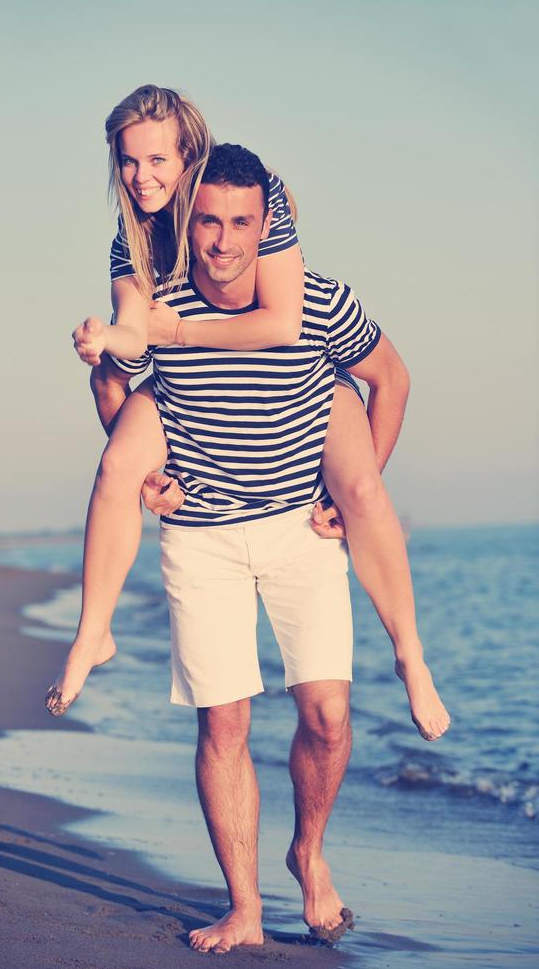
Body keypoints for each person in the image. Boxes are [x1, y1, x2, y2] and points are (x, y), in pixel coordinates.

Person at [81, 143, 418, 952]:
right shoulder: (161, 300)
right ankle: (245, 908)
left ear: (271, 226)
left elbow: (393, 380)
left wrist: (353, 490)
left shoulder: (318, 304)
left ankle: (308, 851)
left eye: (242, 223)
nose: (225, 240)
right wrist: (149, 481)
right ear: (190, 223)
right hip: (202, 535)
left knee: (329, 718)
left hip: (298, 529)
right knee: (224, 723)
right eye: (209, 222)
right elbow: (116, 392)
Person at [46, 84, 450, 746]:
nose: (141, 177)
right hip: (195, 446)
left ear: (191, 158)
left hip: (301, 370)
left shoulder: (257, 197)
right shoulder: (135, 236)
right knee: (118, 462)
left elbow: (284, 321)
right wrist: (103, 340)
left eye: (156, 161)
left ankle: (409, 653)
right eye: (127, 161)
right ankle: (95, 633)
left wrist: (174, 334)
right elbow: (133, 330)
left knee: (361, 488)